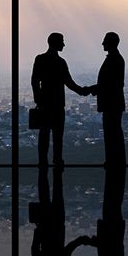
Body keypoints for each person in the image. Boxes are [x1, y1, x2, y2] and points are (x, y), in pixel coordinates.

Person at [31, 32, 89, 167]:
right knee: (58, 136)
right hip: (57, 105)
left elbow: (34, 81)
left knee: (44, 134)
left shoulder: (40, 59)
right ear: (55, 43)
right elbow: (69, 83)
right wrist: (83, 91)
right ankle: (57, 160)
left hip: (45, 104)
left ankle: (43, 161)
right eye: (61, 42)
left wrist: (38, 98)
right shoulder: (60, 62)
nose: (63, 44)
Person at [31, 168, 90, 256]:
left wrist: (83, 241)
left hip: (57, 225)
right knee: (44, 191)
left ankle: (57, 167)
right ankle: (43, 165)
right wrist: (38, 231)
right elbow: (34, 249)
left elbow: (70, 248)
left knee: (58, 192)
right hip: (45, 227)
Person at [86, 32, 126, 166]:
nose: (102, 43)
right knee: (113, 133)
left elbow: (109, 84)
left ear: (111, 42)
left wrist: (90, 89)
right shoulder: (115, 58)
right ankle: (115, 160)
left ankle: (114, 161)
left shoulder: (114, 59)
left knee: (111, 134)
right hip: (113, 103)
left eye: (105, 41)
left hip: (111, 103)